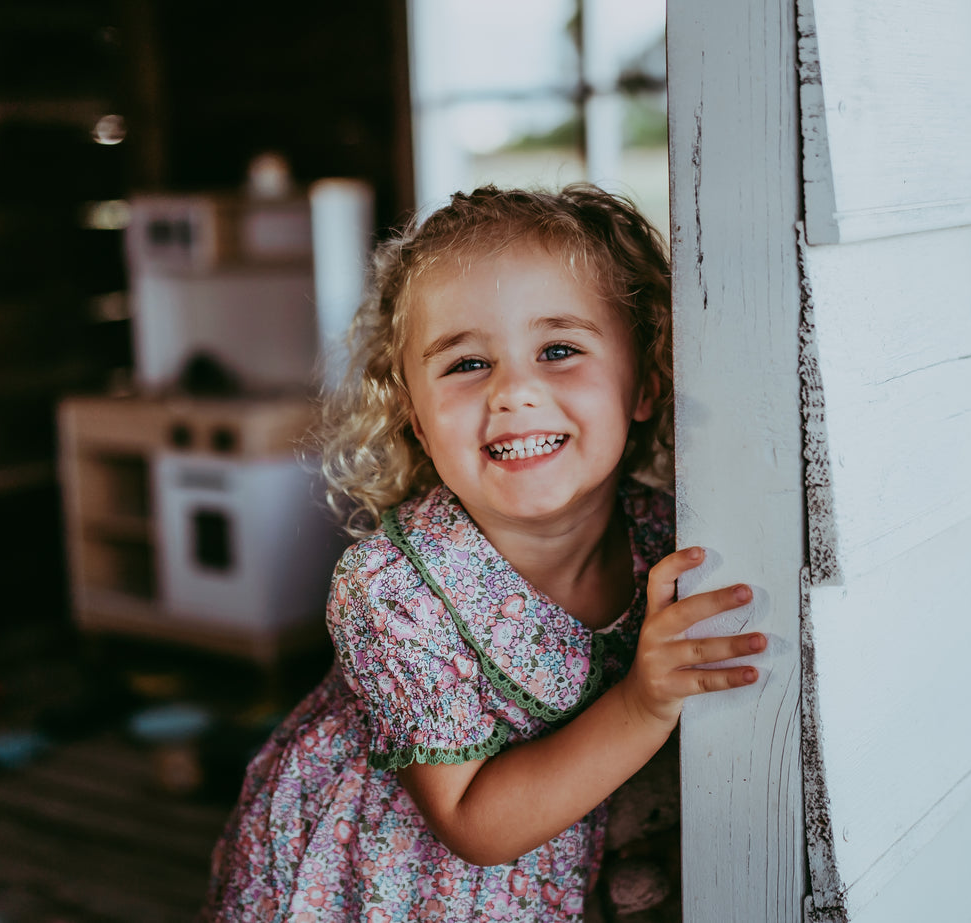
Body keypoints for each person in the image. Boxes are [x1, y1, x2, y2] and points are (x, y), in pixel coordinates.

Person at [199, 185, 767, 922]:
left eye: (559, 350)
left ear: (644, 385)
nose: (514, 392)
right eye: (466, 364)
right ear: (412, 413)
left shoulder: (669, 544)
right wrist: (642, 701)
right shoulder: (392, 590)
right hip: (385, 887)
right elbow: (473, 821)